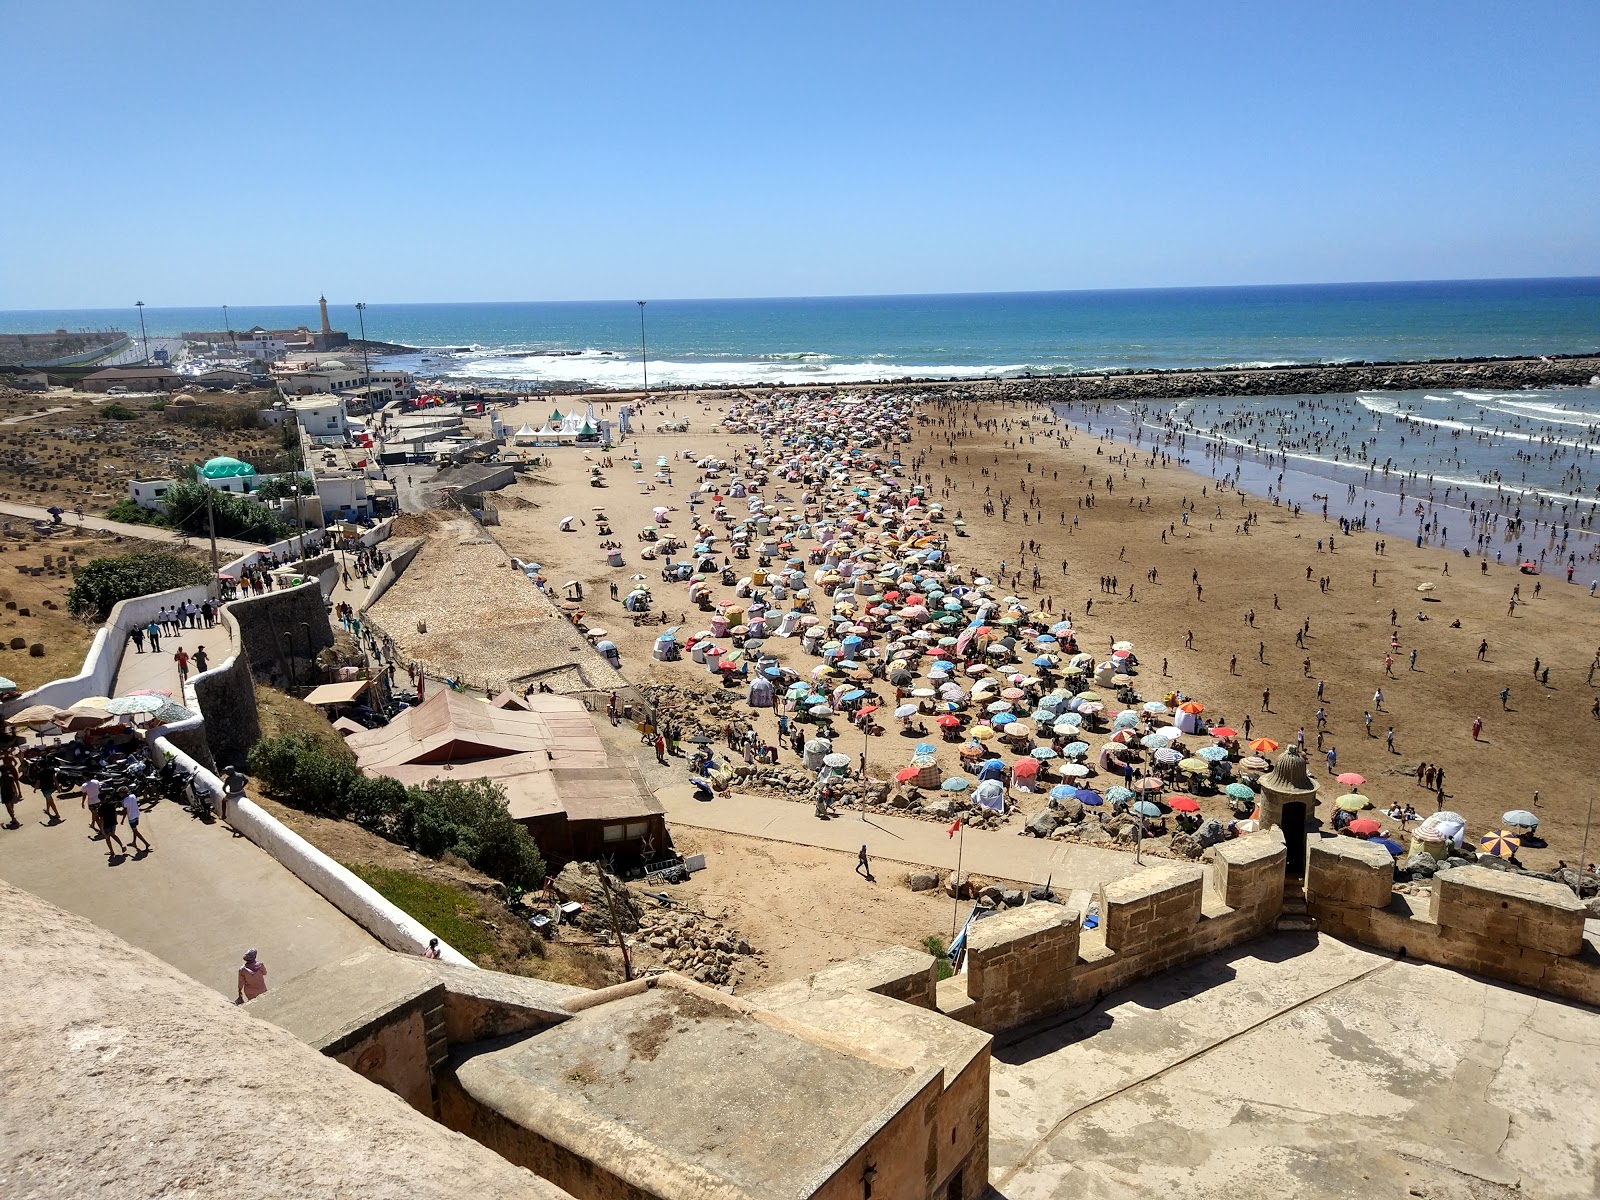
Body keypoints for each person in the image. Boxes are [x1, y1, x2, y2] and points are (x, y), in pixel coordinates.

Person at [121, 788, 152, 854]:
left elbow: (125, 811)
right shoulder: (133, 796)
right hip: (136, 815)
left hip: (131, 817)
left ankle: (146, 843)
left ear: (123, 793)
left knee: (135, 831)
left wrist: (122, 820)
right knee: (134, 829)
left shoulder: (124, 801)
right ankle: (134, 842)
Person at [0, 750, 19, 828]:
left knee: (8, 807)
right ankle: (12, 814)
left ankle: (13, 818)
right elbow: (13, 785)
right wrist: (16, 792)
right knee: (10, 804)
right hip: (10, 792)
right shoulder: (10, 777)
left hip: (4, 793)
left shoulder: (1, 779)